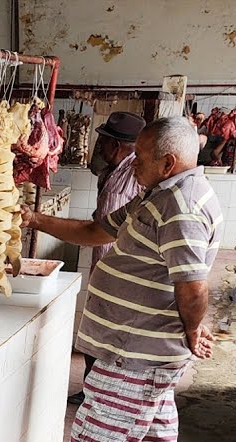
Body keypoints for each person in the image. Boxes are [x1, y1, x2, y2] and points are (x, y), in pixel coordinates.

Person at [12, 117, 221, 442]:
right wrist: (35, 219)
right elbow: (97, 231)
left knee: (94, 439)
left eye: (142, 157)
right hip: (146, 351)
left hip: (135, 351)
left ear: (168, 162)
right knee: (159, 440)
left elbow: (193, 287)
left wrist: (191, 329)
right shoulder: (159, 196)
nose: (133, 163)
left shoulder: (180, 205)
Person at [68, 111, 147, 405]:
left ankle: (101, 394)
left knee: (106, 335)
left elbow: (106, 229)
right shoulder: (115, 171)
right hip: (105, 266)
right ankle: (92, 390)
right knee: (96, 332)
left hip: (120, 271)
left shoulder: (131, 175)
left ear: (115, 145)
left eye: (102, 142)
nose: (98, 148)